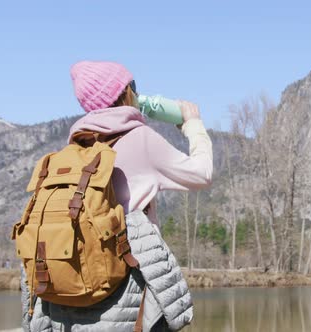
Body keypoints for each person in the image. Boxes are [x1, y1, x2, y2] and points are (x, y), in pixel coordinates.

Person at [21, 60, 213, 332]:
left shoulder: (75, 148)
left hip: (74, 296)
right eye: (133, 86)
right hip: (127, 292)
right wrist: (193, 125)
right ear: (125, 93)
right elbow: (202, 174)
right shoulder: (140, 139)